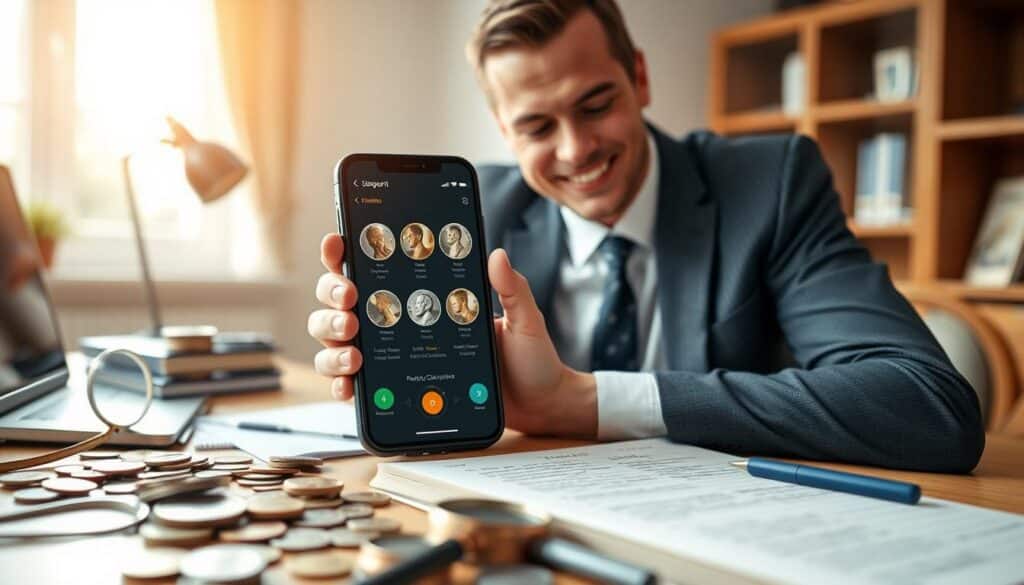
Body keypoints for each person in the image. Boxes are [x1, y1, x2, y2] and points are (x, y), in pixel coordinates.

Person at [309, 0, 984, 472]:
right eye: (537, 127)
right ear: (501, 126)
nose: (576, 150)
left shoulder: (771, 183)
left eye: (595, 104)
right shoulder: (470, 217)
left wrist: (584, 402)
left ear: (640, 75)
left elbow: (928, 405)